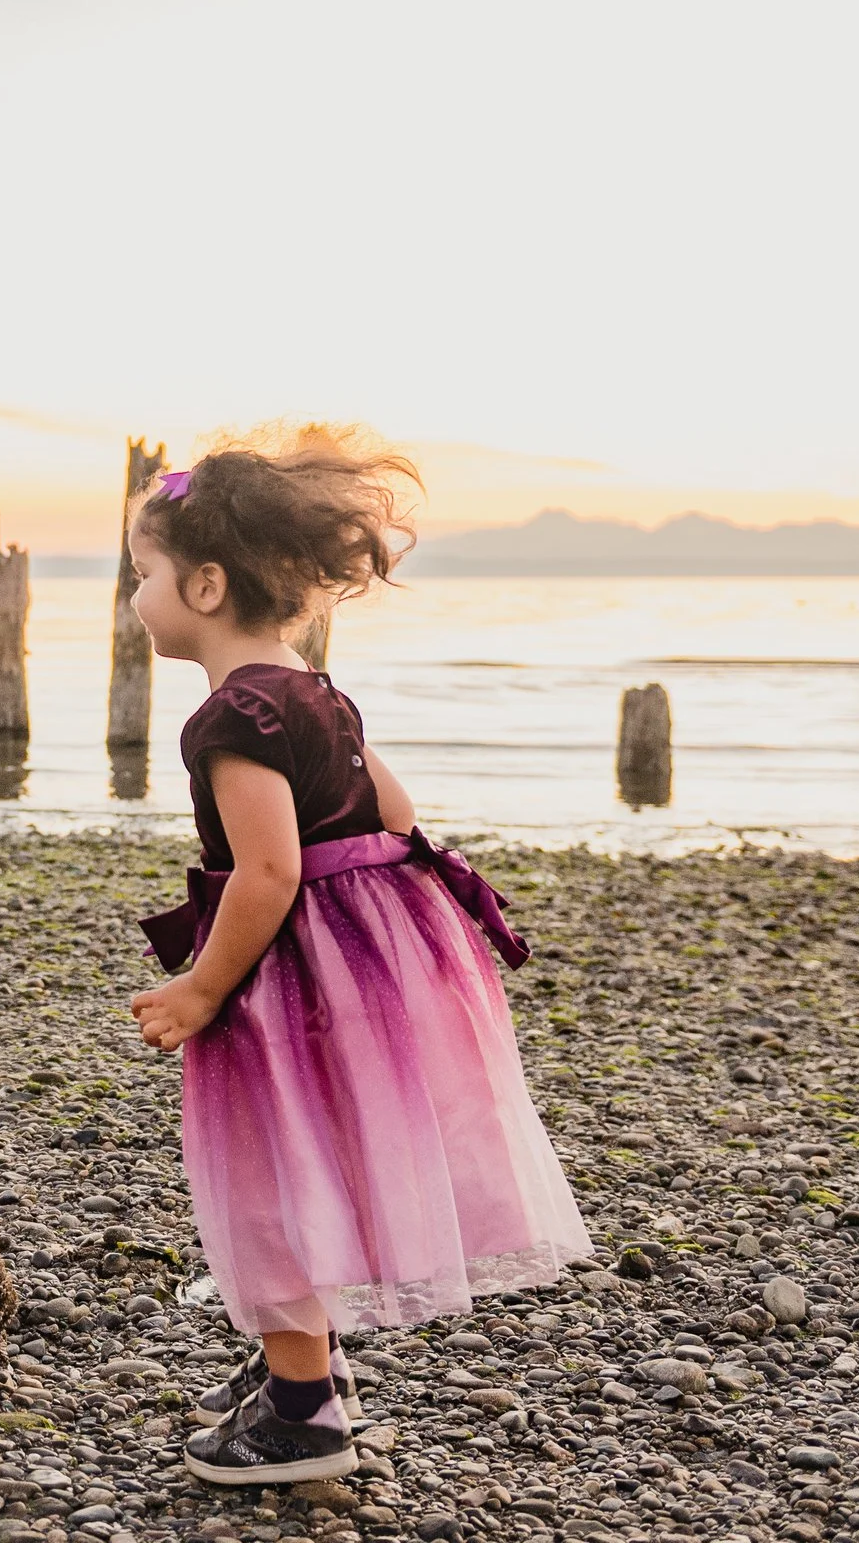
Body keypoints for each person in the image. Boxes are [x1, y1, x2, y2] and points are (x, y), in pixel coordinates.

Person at [121, 431, 592, 1485]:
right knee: (323, 1153)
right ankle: (308, 1368)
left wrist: (203, 985)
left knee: (271, 1174)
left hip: (292, 977)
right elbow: (396, 814)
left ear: (202, 583)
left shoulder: (227, 717)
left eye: (140, 574)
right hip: (372, 964)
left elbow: (269, 871)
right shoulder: (318, 690)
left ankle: (302, 1413)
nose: (135, 597)